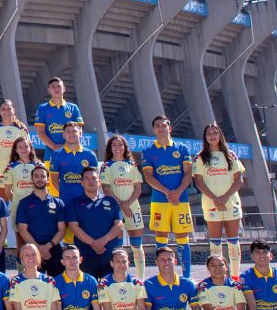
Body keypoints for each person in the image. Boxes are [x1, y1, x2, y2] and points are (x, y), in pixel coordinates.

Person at [140, 116, 194, 277]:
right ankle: (162, 275)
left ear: (170, 128)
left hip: (180, 199)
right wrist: (167, 192)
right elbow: (149, 177)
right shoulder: (148, 151)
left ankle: (186, 277)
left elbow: (188, 173)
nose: (160, 128)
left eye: (164, 125)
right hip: (159, 200)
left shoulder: (182, 148)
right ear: (153, 130)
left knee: (182, 238)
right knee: (161, 238)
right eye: (157, 126)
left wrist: (177, 192)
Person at [193, 123, 246, 276]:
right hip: (211, 204)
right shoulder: (200, 157)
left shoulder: (231, 155)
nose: (212, 136)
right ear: (205, 137)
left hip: (230, 202)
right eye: (209, 133)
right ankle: (217, 277)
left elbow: (239, 180)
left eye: (215, 132)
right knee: (215, 243)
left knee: (233, 241)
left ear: (220, 135)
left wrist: (224, 197)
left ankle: (235, 278)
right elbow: (199, 183)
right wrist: (216, 200)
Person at [64, 167, 123, 280]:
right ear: (82, 183)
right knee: (89, 293)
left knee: (109, 291)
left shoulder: (111, 201)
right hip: (85, 255)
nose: (90, 181)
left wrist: (103, 240)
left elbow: (119, 224)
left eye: (94, 178)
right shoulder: (74, 202)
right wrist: (94, 243)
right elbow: (73, 227)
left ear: (99, 182)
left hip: (109, 254)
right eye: (86, 178)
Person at [100, 135, 145, 278]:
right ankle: (119, 277)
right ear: (110, 148)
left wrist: (128, 203)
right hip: (116, 210)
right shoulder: (106, 166)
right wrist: (122, 205)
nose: (117, 148)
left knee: (137, 246)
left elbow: (138, 188)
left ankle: (141, 278)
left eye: (120, 145)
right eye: (114, 145)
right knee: (117, 248)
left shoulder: (132, 165)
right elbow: (106, 189)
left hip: (133, 209)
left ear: (125, 147)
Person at [15, 166, 66, 277]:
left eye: (43, 176)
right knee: (34, 287)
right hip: (32, 251)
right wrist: (38, 249)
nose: (39, 179)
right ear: (32, 179)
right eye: (36, 176)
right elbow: (23, 231)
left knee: (57, 286)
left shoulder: (58, 203)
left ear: (47, 180)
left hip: (54, 249)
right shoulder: (24, 203)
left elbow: (62, 230)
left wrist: (47, 247)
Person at [2, 137, 42, 250]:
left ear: (31, 148)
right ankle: (21, 267)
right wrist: (19, 203)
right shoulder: (10, 167)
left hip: (37, 209)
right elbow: (7, 191)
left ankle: (37, 267)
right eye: (20, 147)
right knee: (21, 243)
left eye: (26, 146)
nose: (23, 149)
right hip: (18, 209)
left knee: (37, 241)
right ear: (15, 149)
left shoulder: (39, 166)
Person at [34, 77, 83, 166]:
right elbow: (40, 133)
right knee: (52, 180)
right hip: (51, 156)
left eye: (59, 86)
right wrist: (55, 147)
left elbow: (78, 131)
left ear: (64, 89)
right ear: (49, 90)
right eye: (53, 87)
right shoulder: (42, 108)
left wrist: (65, 146)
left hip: (72, 155)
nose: (56, 89)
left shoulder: (73, 108)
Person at [50, 121, 98, 207]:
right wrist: (64, 194)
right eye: (68, 131)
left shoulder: (90, 155)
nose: (71, 134)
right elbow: (54, 180)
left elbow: (95, 180)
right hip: (66, 204)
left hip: (87, 203)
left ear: (80, 133)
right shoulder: (56, 155)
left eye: (74, 131)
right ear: (63, 135)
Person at [0, 99, 30, 173]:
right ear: (0, 111)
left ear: (14, 110)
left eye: (9, 109)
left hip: (18, 168)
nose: (6, 111)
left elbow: (29, 149)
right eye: (3, 109)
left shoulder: (22, 128)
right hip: (0, 169)